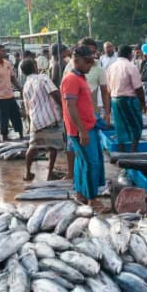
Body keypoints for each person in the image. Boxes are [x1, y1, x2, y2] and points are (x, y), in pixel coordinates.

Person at [62, 45, 104, 205]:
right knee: (91, 164)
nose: (90, 65)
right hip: (81, 130)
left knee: (82, 162)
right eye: (87, 62)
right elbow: (70, 106)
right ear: (77, 60)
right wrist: (82, 131)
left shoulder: (81, 77)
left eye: (91, 62)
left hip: (88, 126)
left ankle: (81, 194)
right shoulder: (71, 79)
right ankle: (92, 199)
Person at [21, 57, 65, 181]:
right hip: (50, 119)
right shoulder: (43, 78)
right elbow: (55, 94)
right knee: (53, 147)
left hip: (36, 121)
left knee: (33, 146)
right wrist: (64, 108)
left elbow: (27, 107)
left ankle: (27, 173)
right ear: (35, 67)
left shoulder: (26, 85)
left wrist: (30, 122)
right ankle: (50, 173)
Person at [106, 44, 146, 152]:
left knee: (120, 127)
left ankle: (121, 151)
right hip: (128, 100)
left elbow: (108, 89)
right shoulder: (131, 66)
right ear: (129, 54)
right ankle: (133, 152)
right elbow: (138, 88)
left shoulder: (111, 67)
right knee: (136, 125)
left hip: (115, 100)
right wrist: (143, 104)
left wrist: (108, 107)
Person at [0, 44, 23, 142]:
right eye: (2, 51)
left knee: (16, 116)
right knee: (4, 119)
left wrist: (21, 89)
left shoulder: (8, 63)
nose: (4, 52)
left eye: (4, 51)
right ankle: (5, 137)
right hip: (0, 97)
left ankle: (21, 134)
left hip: (10, 95)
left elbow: (13, 79)